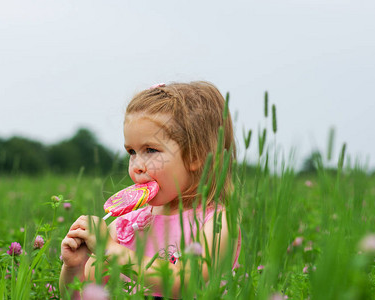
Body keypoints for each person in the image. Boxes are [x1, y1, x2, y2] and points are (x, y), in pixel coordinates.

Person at [59, 81, 241, 299]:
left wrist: (111, 250)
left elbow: (185, 283)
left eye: (151, 150)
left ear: (195, 156)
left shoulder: (218, 223)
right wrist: (74, 268)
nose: (137, 165)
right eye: (132, 152)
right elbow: (80, 295)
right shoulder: (126, 226)